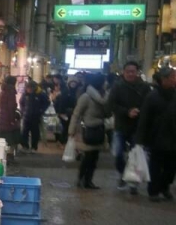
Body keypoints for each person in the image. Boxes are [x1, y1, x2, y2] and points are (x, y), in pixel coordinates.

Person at [106, 60, 150, 192]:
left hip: (137, 127)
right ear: (123, 72)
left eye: (133, 71)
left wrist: (139, 111)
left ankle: (133, 183)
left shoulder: (144, 87)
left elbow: (148, 104)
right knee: (118, 154)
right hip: (121, 126)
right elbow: (111, 104)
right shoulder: (117, 86)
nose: (130, 74)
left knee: (135, 155)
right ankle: (123, 174)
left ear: (137, 72)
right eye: (128, 71)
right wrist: (127, 112)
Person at [135, 65, 176, 201]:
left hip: (173, 137)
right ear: (163, 79)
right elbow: (144, 118)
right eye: (173, 77)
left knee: (171, 167)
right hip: (157, 136)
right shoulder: (152, 96)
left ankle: (164, 186)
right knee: (155, 166)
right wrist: (140, 139)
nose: (175, 79)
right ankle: (153, 191)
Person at [69, 72, 107, 189]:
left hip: (98, 129)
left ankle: (87, 180)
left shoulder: (104, 97)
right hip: (88, 130)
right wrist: (71, 130)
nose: (106, 84)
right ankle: (83, 179)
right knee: (89, 157)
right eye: (104, 81)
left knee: (94, 157)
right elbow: (76, 114)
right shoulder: (86, 97)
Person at [20, 80, 48, 151]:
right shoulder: (25, 94)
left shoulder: (40, 94)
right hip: (26, 116)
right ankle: (25, 146)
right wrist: (23, 111)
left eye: (30, 88)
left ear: (34, 88)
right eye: (27, 88)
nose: (28, 90)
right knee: (24, 132)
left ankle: (34, 147)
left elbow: (46, 103)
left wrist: (41, 110)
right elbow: (21, 102)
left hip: (36, 117)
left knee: (35, 133)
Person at [0, 76, 21, 156]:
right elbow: (11, 108)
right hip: (7, 120)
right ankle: (9, 157)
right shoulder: (10, 92)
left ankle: (5, 156)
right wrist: (12, 120)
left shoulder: (3, 91)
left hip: (2, 118)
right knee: (11, 140)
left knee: (5, 140)